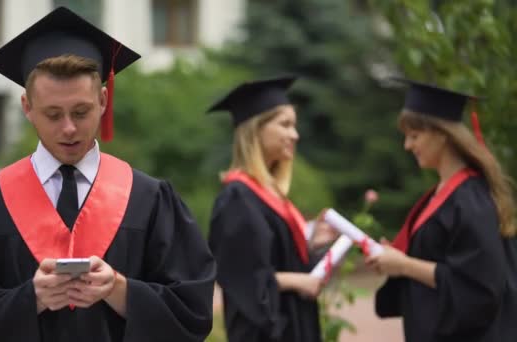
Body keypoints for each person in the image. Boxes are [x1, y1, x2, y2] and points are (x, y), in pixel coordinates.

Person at [0, 7, 215, 342]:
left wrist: (121, 291)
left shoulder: (150, 199)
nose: (68, 128)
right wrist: (32, 299)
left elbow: (194, 312)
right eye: (53, 114)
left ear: (102, 100)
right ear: (27, 107)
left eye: (80, 112)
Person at [366, 78, 517, 342]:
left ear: (442, 134)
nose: (407, 145)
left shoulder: (471, 200)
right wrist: (395, 260)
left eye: (415, 136)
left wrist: (405, 265)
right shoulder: (442, 195)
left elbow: (478, 288)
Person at [207, 76, 338, 342]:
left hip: (295, 326)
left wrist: (312, 245)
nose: (295, 134)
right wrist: (296, 281)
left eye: (294, 125)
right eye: (285, 125)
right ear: (256, 130)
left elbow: (272, 261)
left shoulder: (271, 196)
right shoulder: (237, 199)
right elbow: (241, 278)